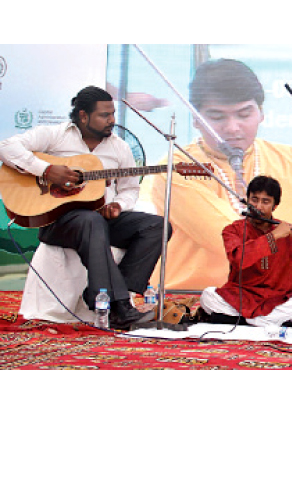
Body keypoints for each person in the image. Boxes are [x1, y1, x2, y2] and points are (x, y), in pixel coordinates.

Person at [139, 58, 292, 291]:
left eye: (244, 114)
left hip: (280, 298)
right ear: (196, 119)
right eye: (217, 117)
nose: (233, 127)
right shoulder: (177, 169)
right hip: (194, 300)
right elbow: (230, 237)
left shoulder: (289, 161)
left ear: (261, 113)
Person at [0, 86, 169, 330]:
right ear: (83, 115)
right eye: (104, 115)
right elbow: (6, 147)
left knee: (157, 226)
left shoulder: (119, 147)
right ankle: (120, 306)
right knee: (91, 221)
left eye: (112, 114)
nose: (111, 120)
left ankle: (107, 291)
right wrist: (46, 170)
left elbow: (130, 188)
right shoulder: (56, 135)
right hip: (57, 222)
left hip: (101, 221)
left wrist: (118, 206)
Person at [199, 176, 292, 328]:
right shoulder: (233, 230)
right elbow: (239, 260)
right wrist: (273, 237)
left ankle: (245, 322)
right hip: (241, 297)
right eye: (254, 200)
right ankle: (268, 323)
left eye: (265, 202)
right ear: (247, 200)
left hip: (277, 299)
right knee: (208, 296)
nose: (258, 207)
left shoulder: (288, 234)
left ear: (275, 206)